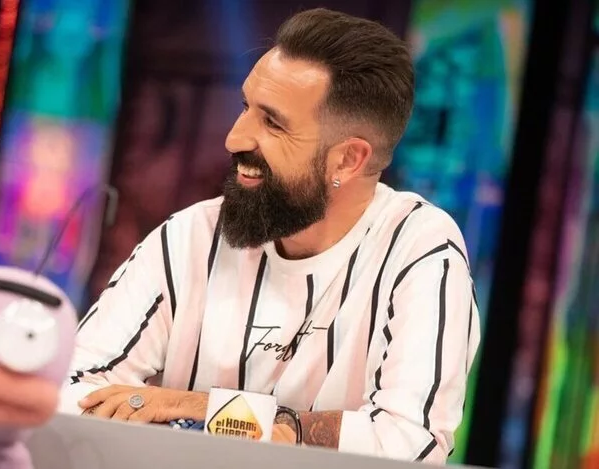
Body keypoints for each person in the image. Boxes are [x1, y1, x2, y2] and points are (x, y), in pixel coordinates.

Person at [60, 8, 480, 464]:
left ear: (347, 160)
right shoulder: (192, 236)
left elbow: (410, 443)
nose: (235, 138)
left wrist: (194, 407)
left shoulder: (419, 252)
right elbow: (72, 388)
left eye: (274, 124)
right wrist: (268, 430)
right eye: (246, 108)